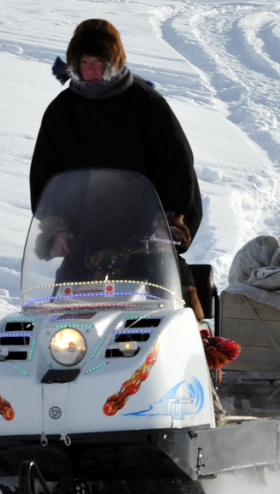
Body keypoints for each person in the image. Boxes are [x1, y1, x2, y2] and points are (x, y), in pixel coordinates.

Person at [29, 19, 205, 317]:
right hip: (85, 244)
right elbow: (46, 177)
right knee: (63, 325)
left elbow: (176, 168)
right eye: (84, 61)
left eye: (99, 61)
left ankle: (203, 356)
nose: (91, 69)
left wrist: (168, 225)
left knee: (180, 315)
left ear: (114, 62)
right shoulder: (61, 111)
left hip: (147, 242)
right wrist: (56, 228)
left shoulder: (147, 104)